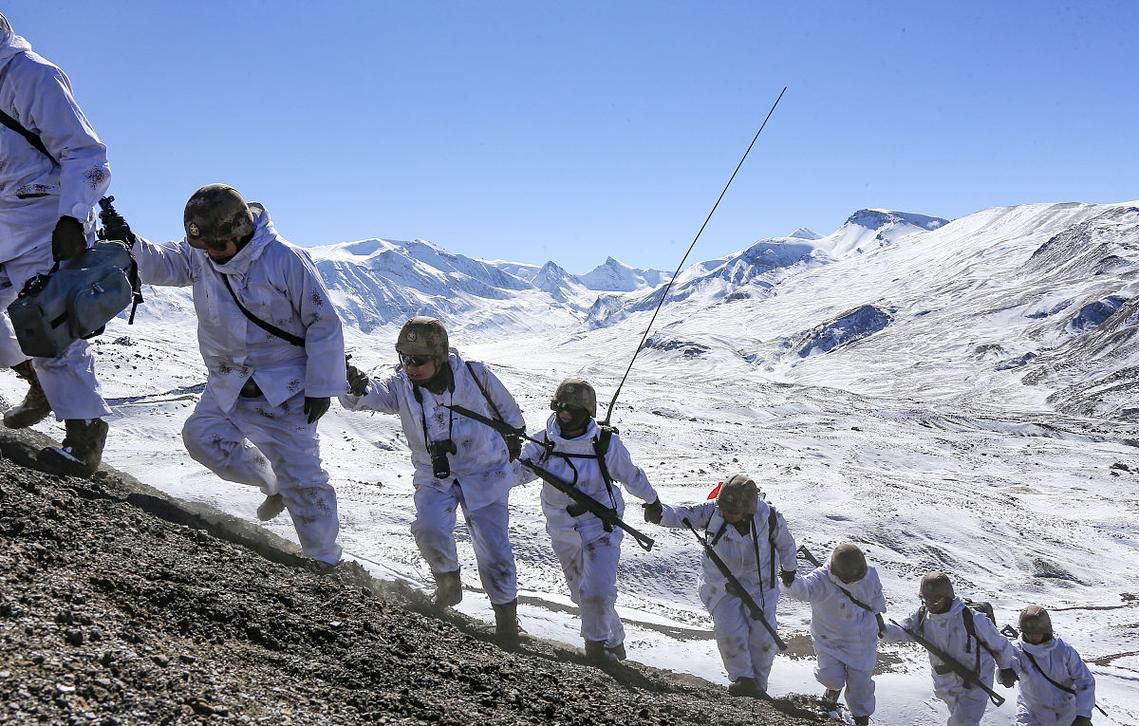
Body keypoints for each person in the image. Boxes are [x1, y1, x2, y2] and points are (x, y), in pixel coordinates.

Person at [132, 184, 344, 565]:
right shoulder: (201, 254)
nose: (211, 255)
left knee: (305, 481)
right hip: (228, 380)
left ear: (241, 231)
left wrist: (322, 386)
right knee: (202, 439)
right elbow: (161, 262)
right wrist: (127, 244)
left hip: (285, 387)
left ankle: (324, 562)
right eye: (204, 248)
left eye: (218, 246)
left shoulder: (285, 260)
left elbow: (323, 323)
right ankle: (270, 483)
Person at [340, 316, 525, 640]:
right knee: (428, 528)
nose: (411, 366)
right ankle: (448, 583)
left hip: (484, 471)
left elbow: (508, 411)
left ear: (439, 356)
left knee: (494, 549)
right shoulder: (401, 385)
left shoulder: (474, 374)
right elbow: (369, 396)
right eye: (406, 358)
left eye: (419, 360)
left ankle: (506, 620)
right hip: (434, 473)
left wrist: (512, 440)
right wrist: (354, 385)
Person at [0, 11, 113, 475]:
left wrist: (72, 216)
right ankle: (36, 381)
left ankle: (85, 435)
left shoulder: (32, 76)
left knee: (49, 324)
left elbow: (86, 154)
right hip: (4, 219)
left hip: (46, 220)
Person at [514, 378, 659, 664]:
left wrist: (651, 501)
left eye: (572, 408)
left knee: (598, 590)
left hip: (600, 526)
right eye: (560, 406)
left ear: (587, 413)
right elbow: (517, 472)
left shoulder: (605, 444)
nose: (564, 413)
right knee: (582, 593)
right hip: (562, 527)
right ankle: (614, 642)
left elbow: (631, 475)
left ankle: (595, 649)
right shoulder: (543, 442)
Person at [647, 473, 797, 695]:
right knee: (729, 631)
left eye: (733, 513)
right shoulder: (712, 512)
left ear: (748, 509)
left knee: (763, 640)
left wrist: (789, 569)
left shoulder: (769, 517)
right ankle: (742, 679)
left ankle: (759, 684)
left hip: (761, 587)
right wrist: (660, 514)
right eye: (725, 510)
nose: (727, 515)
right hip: (721, 586)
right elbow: (684, 514)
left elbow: (786, 545)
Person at [884, 571, 1017, 726]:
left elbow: (1001, 645)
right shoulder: (922, 616)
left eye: (936, 600)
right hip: (946, 686)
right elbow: (901, 630)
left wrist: (1007, 669)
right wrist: (880, 628)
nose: (931, 604)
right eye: (926, 599)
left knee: (961, 723)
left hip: (975, 685)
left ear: (947, 597)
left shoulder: (972, 619)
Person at [787, 543, 885, 725]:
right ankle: (831, 693)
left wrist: (879, 619)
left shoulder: (870, 574)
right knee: (830, 676)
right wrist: (789, 579)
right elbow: (804, 589)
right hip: (829, 641)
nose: (854, 578)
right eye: (850, 575)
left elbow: (876, 599)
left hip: (862, 642)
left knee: (860, 686)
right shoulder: (822, 578)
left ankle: (861, 718)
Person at [1007, 605, 1096, 726]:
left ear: (1046, 630)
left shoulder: (1063, 650)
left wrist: (1083, 715)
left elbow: (1085, 681)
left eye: (1037, 633)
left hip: (1066, 714)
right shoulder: (1016, 650)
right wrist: (1006, 673)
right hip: (1031, 712)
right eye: (1028, 633)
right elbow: (1010, 663)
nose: (1032, 637)